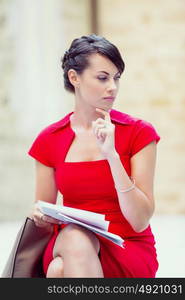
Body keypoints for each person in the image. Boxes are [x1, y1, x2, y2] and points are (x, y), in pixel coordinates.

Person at [28, 34, 160, 278]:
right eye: (102, 78)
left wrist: (111, 155)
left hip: (126, 245)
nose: (112, 87)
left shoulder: (139, 133)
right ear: (74, 77)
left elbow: (140, 220)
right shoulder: (49, 139)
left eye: (116, 78)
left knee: (59, 270)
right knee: (75, 240)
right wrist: (39, 215)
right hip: (70, 241)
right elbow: (43, 220)